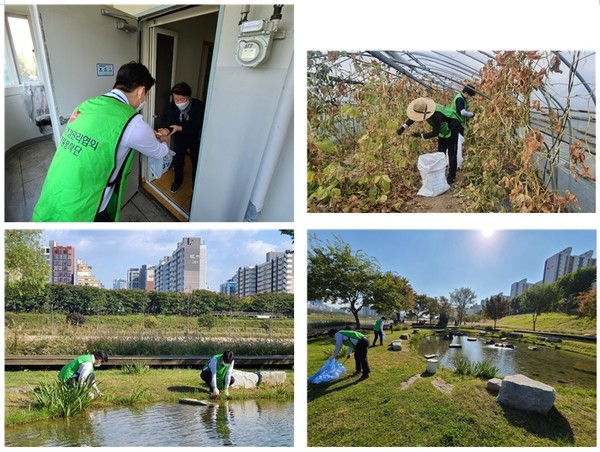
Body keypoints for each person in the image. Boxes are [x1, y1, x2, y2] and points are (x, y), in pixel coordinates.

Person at [33, 62, 171, 222]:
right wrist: (166, 139)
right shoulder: (133, 122)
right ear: (141, 91)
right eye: (146, 94)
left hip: (54, 189)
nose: (145, 98)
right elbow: (159, 151)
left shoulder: (86, 105)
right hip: (84, 205)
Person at [397, 97, 461, 185]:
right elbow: (413, 117)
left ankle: (451, 177)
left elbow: (435, 132)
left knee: (451, 152)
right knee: (440, 152)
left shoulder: (436, 115)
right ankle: (441, 174)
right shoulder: (424, 108)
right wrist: (403, 127)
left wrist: (421, 135)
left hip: (453, 125)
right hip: (443, 127)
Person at [155, 82, 205, 194]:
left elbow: (198, 125)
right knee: (178, 160)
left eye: (181, 99)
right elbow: (170, 122)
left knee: (196, 161)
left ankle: (196, 185)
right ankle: (177, 181)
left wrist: (181, 128)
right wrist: (166, 130)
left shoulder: (198, 105)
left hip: (194, 138)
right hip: (179, 139)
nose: (177, 102)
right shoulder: (172, 105)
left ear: (188, 96)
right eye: (175, 99)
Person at [450, 84, 476, 169]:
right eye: (470, 96)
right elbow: (463, 112)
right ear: (467, 93)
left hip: (457, 123)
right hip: (455, 123)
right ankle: (456, 164)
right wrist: (472, 114)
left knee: (457, 143)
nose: (470, 98)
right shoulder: (460, 99)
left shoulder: (461, 98)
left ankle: (454, 162)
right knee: (456, 144)